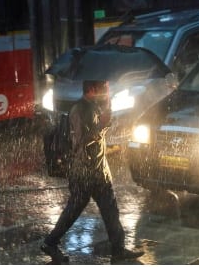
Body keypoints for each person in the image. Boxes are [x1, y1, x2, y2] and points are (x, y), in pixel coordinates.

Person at [41, 80, 143, 263]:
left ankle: (118, 249)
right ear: (91, 89)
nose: (105, 91)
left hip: (99, 172)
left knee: (110, 209)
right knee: (73, 210)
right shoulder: (79, 110)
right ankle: (50, 242)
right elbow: (81, 142)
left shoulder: (93, 106)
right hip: (84, 173)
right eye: (102, 88)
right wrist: (102, 125)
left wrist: (106, 116)